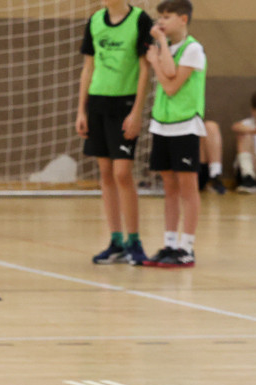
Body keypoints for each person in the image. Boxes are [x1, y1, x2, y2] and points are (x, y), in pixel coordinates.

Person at [76, 0, 152, 265]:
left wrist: (136, 112)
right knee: (106, 174)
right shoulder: (95, 21)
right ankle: (116, 240)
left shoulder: (140, 20)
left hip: (125, 104)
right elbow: (88, 67)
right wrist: (81, 110)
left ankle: (134, 240)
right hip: (97, 102)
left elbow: (145, 69)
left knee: (122, 173)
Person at [142, 0, 204, 268]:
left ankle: (187, 248)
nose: (161, 22)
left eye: (167, 17)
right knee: (168, 187)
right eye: (160, 17)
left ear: (183, 19)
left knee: (188, 189)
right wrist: (159, 53)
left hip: (185, 126)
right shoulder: (163, 48)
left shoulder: (193, 50)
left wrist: (157, 56)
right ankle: (169, 244)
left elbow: (170, 83)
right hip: (162, 125)